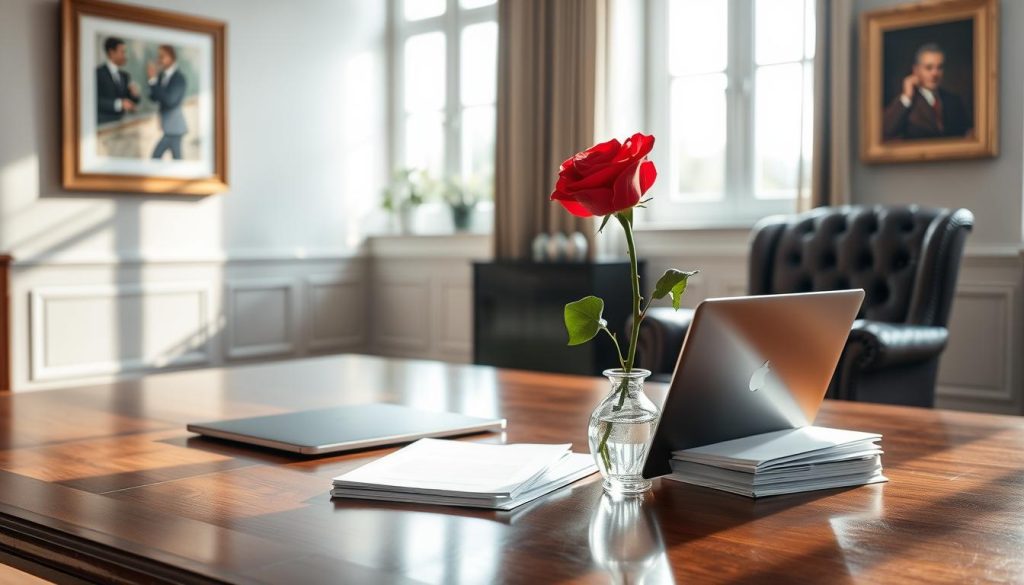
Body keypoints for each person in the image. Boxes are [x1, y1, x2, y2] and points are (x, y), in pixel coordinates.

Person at [883, 43, 971, 140]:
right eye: (929, 68)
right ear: (916, 70)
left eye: (939, 67)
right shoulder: (907, 101)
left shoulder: (954, 100)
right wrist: (907, 96)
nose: (935, 73)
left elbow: (966, 133)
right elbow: (887, 130)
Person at [148, 45, 188, 160]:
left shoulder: (179, 78)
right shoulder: (161, 76)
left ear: (172, 57)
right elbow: (155, 97)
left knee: (156, 157)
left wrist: (153, 81)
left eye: (162, 56)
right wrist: (152, 81)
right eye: (158, 57)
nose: (159, 60)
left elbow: (170, 100)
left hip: (174, 127)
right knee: (176, 159)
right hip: (169, 127)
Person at [96, 37, 139, 125]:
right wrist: (119, 104)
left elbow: (131, 100)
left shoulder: (125, 76)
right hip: (103, 125)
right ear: (112, 53)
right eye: (122, 52)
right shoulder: (98, 73)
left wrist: (135, 95)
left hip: (121, 124)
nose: (125, 56)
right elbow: (95, 100)